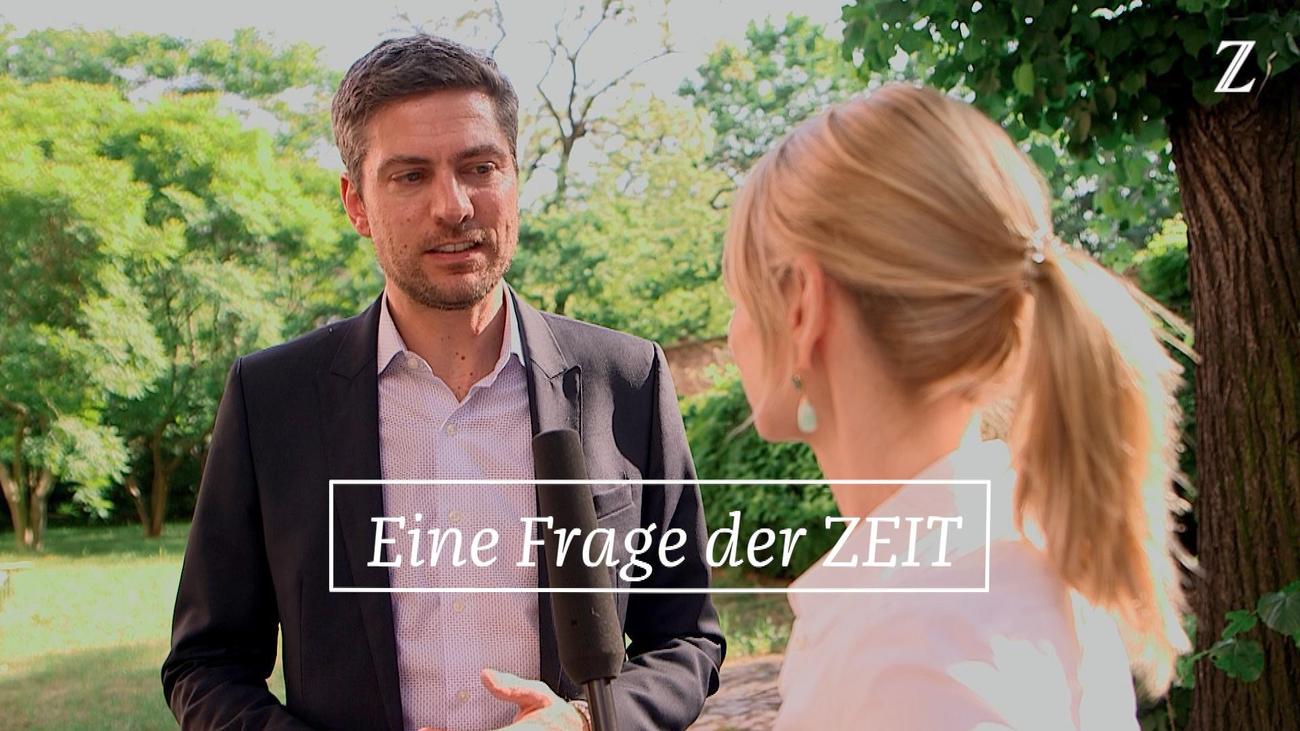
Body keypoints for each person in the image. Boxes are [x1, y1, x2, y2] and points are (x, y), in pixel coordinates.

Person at [162, 35, 723, 731]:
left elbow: (686, 640)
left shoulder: (627, 378)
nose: (454, 206)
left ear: (514, 177)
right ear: (355, 203)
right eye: (410, 176)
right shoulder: (270, 400)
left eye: (479, 167)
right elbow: (207, 663)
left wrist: (585, 722)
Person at [722, 83, 1189, 729]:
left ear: (803, 307)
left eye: (740, 295)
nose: (734, 332)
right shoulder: (1007, 554)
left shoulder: (911, 648)